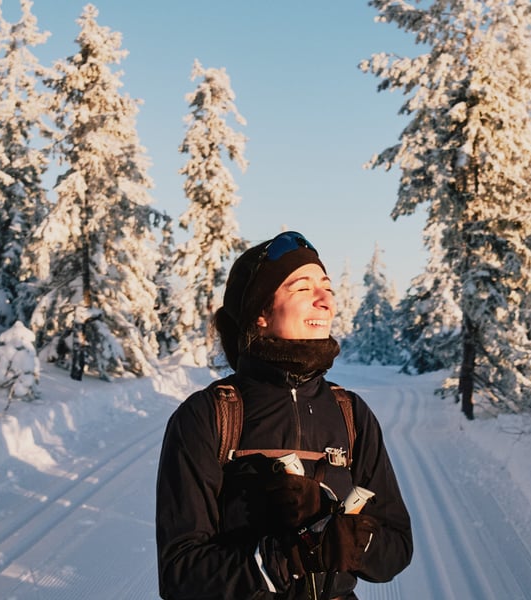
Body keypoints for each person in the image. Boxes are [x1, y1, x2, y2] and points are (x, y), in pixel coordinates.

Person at [156, 231, 413, 599]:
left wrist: (352, 539)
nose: (325, 300)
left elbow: (397, 548)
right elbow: (180, 575)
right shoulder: (208, 416)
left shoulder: (351, 413)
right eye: (303, 288)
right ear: (261, 312)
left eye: (327, 287)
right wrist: (283, 558)